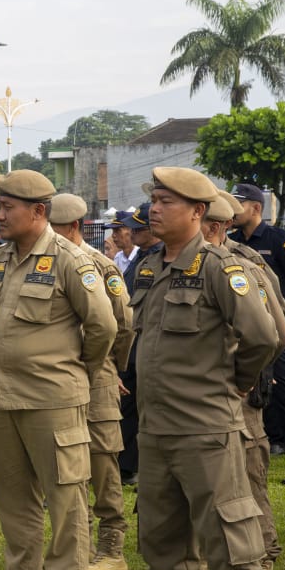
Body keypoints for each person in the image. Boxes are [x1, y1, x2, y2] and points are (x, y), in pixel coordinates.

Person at [113, 167, 280, 570]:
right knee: (162, 530)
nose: (154, 208)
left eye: (166, 201)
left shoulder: (219, 266)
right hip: (158, 426)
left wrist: (234, 384)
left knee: (228, 533)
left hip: (208, 424)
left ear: (197, 212)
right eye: (154, 200)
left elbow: (264, 335)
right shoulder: (151, 268)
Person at [0, 170, 116, 570]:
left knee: (66, 499)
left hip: (53, 398)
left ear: (38, 211)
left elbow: (104, 328)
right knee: (13, 499)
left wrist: (75, 373)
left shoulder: (72, 261)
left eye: (9, 207)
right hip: (3, 399)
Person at [206, 190, 285, 570]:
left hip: (241, 397)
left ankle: (262, 564)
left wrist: (242, 379)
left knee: (248, 481)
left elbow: (275, 333)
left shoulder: (245, 265)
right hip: (196, 400)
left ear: (215, 225)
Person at [47, 195, 135, 570]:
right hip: (59, 375)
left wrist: (110, 367)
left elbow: (123, 323)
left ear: (74, 228)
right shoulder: (46, 262)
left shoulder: (100, 266)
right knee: (66, 461)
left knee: (102, 459)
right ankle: (75, 544)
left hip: (96, 373)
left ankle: (112, 547)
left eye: (56, 229)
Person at [229, 183, 285, 484]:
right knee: (247, 382)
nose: (234, 208)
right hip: (243, 325)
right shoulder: (233, 240)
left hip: (273, 326)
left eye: (239, 203)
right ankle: (262, 442)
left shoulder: (280, 239)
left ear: (256, 207)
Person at [117, 202, 161, 485]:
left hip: (149, 343)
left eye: (137, 228)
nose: (132, 233)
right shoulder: (143, 257)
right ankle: (128, 464)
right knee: (130, 407)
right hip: (134, 342)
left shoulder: (156, 257)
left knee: (145, 408)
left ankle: (137, 466)